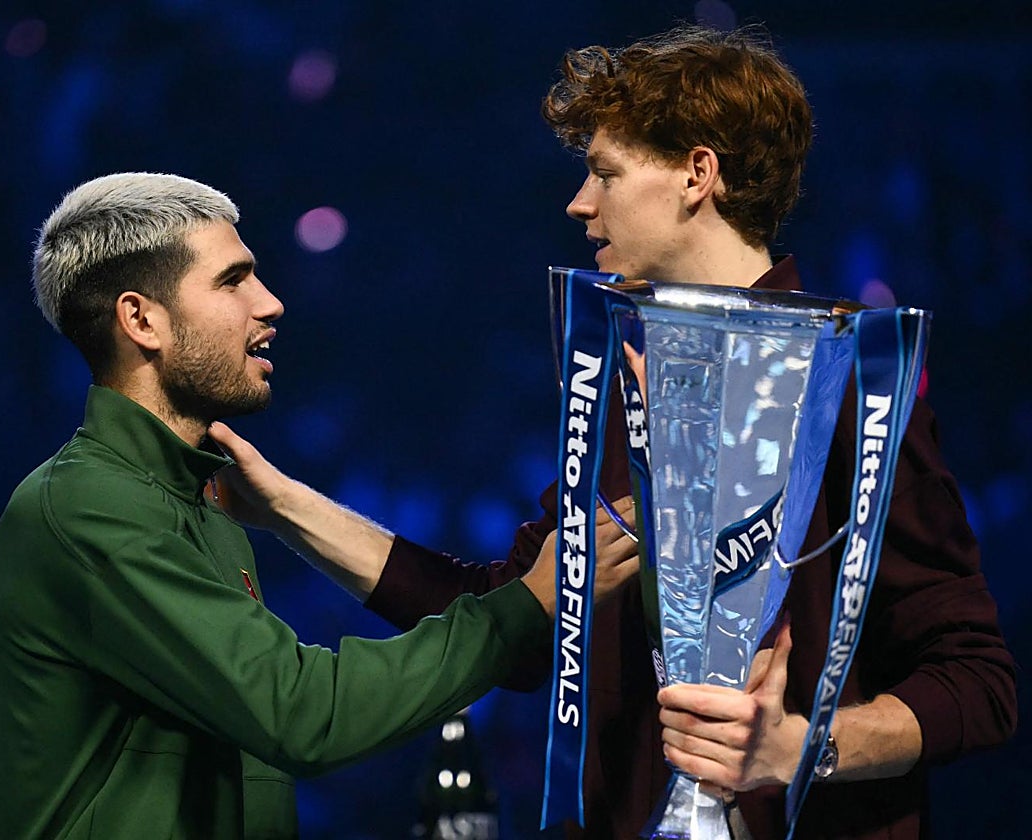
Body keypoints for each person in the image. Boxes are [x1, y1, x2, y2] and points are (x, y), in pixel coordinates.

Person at [217, 25, 1017, 840]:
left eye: (605, 173)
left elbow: (979, 684)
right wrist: (281, 505)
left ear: (697, 175)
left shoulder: (853, 385)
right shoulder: (607, 392)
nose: (579, 202)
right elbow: (517, 623)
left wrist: (802, 747)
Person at [0, 172, 639, 839]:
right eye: (232, 281)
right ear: (140, 319)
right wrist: (526, 603)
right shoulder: (90, 503)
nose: (270, 304)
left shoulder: (206, 505)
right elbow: (299, 713)